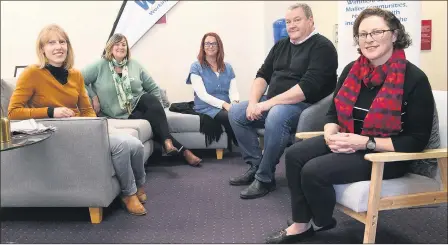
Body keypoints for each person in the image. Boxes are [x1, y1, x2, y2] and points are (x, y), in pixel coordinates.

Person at [266, 7, 435, 243]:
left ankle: (321, 220)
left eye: (377, 31)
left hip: (386, 154)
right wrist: (330, 132)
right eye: (363, 34)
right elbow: (333, 112)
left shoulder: (414, 79)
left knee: (313, 171)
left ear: (395, 35)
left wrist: (366, 142)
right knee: (294, 155)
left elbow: (416, 140)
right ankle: (302, 223)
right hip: (349, 140)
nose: (369, 39)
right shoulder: (352, 71)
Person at [8, 24, 148, 216]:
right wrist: (51, 112)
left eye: (62, 42)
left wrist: (91, 127)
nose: (58, 47)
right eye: (51, 43)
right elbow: (13, 112)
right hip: (57, 134)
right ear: (42, 49)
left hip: (83, 129)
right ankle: (128, 194)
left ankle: (139, 184)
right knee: (122, 146)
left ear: (68, 46)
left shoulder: (75, 74)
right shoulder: (32, 74)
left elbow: (87, 109)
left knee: (136, 145)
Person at [228, 3, 338, 199]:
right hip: (274, 102)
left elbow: (306, 88)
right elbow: (262, 75)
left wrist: (266, 104)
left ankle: (265, 178)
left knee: (278, 114)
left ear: (310, 21)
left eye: (297, 20)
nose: (291, 25)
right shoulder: (281, 45)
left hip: (307, 107)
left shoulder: (323, 47)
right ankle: (256, 166)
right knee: (236, 112)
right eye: (288, 21)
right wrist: (254, 102)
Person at [82, 33, 202, 167]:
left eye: (124, 44)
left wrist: (160, 113)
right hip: (117, 113)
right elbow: (79, 80)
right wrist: (93, 96)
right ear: (110, 47)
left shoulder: (134, 65)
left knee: (150, 99)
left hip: (137, 104)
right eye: (117, 44)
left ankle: (168, 142)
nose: (121, 47)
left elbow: (153, 87)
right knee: (153, 125)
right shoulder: (100, 65)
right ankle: (183, 151)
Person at [186, 32, 239, 147]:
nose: (210, 46)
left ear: (219, 46)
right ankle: (243, 145)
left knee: (241, 112)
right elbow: (202, 95)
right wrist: (225, 105)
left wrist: (234, 103)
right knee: (231, 116)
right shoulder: (196, 67)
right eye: (207, 44)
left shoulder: (228, 67)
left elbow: (233, 91)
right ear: (203, 47)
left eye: (214, 43)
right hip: (206, 107)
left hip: (226, 106)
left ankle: (250, 144)